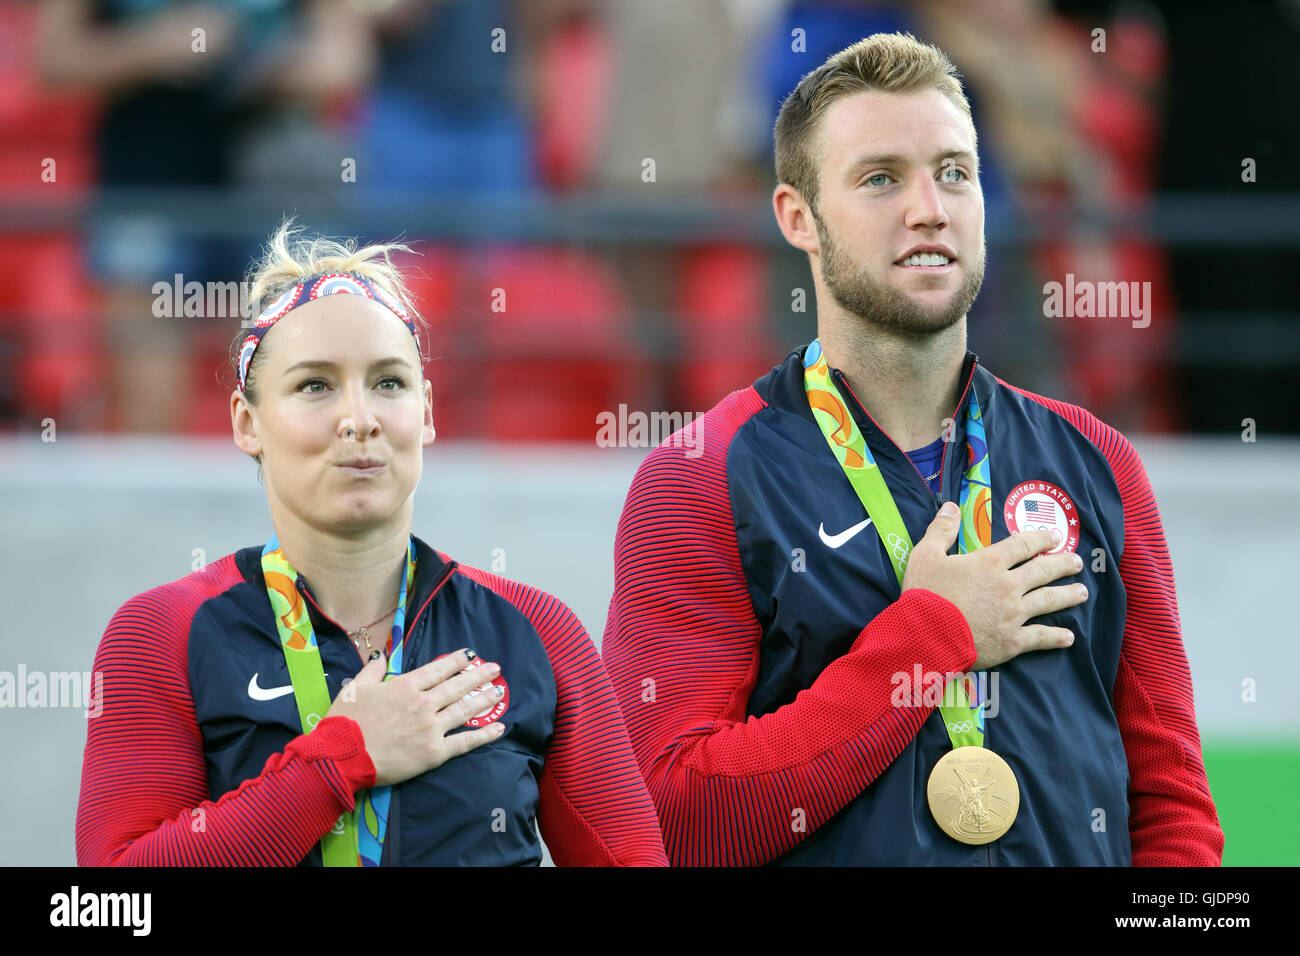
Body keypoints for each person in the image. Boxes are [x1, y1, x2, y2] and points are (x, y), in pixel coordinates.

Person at [600, 32, 1224, 866]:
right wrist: (930, 638)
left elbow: (1172, 805)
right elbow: (670, 822)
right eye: (881, 178)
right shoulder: (699, 479)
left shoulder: (1098, 460)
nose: (929, 207)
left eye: (955, 173)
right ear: (798, 217)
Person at [75, 221, 668, 866]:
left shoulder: (536, 630)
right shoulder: (161, 632)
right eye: (314, 385)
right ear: (248, 423)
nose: (359, 418)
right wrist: (339, 761)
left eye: (388, 382)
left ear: (428, 413)